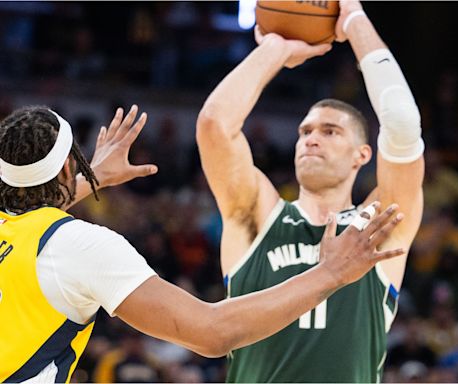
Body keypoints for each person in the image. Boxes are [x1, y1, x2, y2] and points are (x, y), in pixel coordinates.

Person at [0, 105, 404, 383]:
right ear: (70, 164)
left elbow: (26, 212)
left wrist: (94, 178)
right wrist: (329, 274)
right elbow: (212, 332)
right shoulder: (80, 247)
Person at [196, 1, 425, 382]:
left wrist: (354, 18)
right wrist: (275, 47)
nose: (311, 140)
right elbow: (214, 125)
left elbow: (401, 124)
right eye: (305, 132)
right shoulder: (258, 216)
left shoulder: (377, 225)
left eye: (330, 131)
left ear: (362, 155)